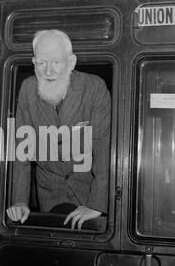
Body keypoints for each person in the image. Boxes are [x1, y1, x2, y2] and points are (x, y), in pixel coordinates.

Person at [6, 29, 111, 230]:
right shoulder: (28, 89)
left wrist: (97, 205)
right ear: (34, 62)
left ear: (71, 62)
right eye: (41, 63)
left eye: (56, 62)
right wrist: (20, 201)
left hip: (88, 194)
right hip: (50, 198)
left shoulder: (94, 88)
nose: (48, 72)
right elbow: (22, 152)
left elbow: (104, 150)